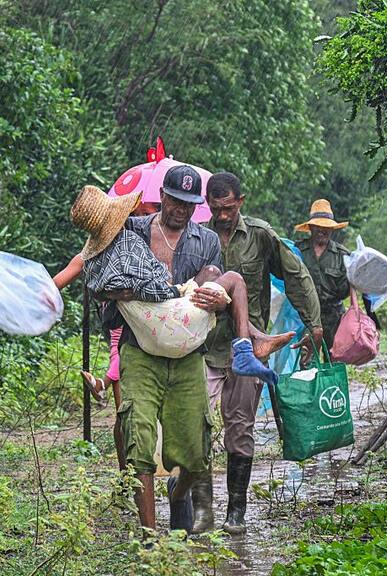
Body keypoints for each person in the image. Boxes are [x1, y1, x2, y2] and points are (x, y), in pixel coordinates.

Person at [97, 164, 226, 536]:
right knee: (138, 436)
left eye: (189, 203)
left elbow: (215, 287)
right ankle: (150, 537)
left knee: (196, 451)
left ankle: (178, 493)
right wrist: (119, 292)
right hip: (141, 352)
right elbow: (99, 276)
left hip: (187, 355)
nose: (182, 210)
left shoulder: (207, 242)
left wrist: (215, 299)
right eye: (176, 201)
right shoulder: (132, 232)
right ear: (162, 198)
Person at [199, 172, 323, 535]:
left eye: (228, 208)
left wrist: (313, 325)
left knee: (240, 428)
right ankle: (202, 510)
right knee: (195, 428)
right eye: (215, 208)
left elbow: (296, 275)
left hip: (248, 349)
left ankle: (235, 511)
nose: (222, 215)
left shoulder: (260, 235)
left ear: (241, 201)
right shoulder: (198, 238)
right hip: (203, 348)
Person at [70, 185, 294, 379]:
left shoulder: (96, 259)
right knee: (233, 278)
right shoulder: (128, 242)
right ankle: (247, 348)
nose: (182, 209)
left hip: (152, 327)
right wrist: (176, 290)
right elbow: (150, 287)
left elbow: (101, 289)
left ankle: (253, 337)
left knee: (211, 272)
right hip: (167, 319)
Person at [53, 200, 161, 473]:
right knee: (126, 411)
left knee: (126, 411)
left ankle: (130, 475)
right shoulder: (128, 248)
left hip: (143, 332)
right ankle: (129, 476)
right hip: (135, 333)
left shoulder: (92, 255)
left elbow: (56, 283)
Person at [294, 199, 351, 350]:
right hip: (305, 318)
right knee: (306, 360)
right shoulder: (297, 251)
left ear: (332, 229)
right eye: (318, 226)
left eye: (326, 227)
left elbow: (351, 287)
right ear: (311, 227)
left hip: (334, 317)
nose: (322, 230)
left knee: (334, 360)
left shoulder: (342, 255)